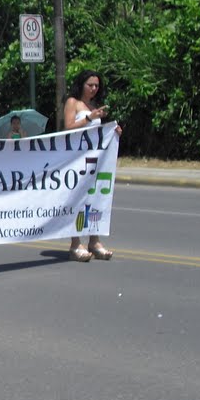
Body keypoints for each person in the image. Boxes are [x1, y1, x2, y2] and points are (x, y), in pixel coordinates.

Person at [65, 70, 122, 262]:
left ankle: (94, 241)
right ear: (82, 84)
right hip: (77, 159)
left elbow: (97, 132)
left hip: (95, 160)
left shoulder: (94, 105)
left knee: (95, 199)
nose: (94, 89)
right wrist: (89, 118)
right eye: (90, 85)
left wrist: (112, 130)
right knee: (78, 199)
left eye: (97, 86)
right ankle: (75, 244)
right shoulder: (73, 102)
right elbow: (68, 128)